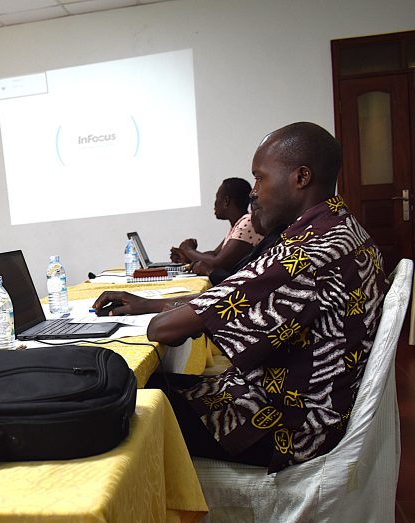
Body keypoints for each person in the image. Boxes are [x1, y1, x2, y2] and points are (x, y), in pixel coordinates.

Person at [94, 122, 387, 472]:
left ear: (301, 177)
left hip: (285, 428)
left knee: (120, 401)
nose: (254, 192)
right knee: (152, 386)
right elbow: (229, 301)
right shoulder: (341, 228)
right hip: (316, 410)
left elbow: (163, 331)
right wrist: (154, 305)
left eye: (260, 178)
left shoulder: (303, 253)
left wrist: (160, 312)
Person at [170, 178, 263, 277]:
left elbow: (217, 263)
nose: (214, 203)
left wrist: (187, 249)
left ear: (226, 201)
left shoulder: (247, 222)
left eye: (217, 198)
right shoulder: (238, 224)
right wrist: (188, 257)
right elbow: (214, 254)